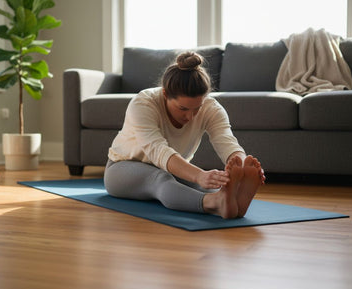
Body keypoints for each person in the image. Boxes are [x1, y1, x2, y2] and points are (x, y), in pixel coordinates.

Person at [104, 51, 266, 219]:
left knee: (207, 185)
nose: (190, 117)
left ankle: (230, 200)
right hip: (121, 170)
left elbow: (227, 142)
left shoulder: (212, 108)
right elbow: (158, 151)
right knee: (162, 178)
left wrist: (242, 164)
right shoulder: (143, 103)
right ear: (165, 94)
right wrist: (199, 175)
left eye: (197, 108)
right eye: (183, 109)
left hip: (171, 167)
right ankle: (214, 203)